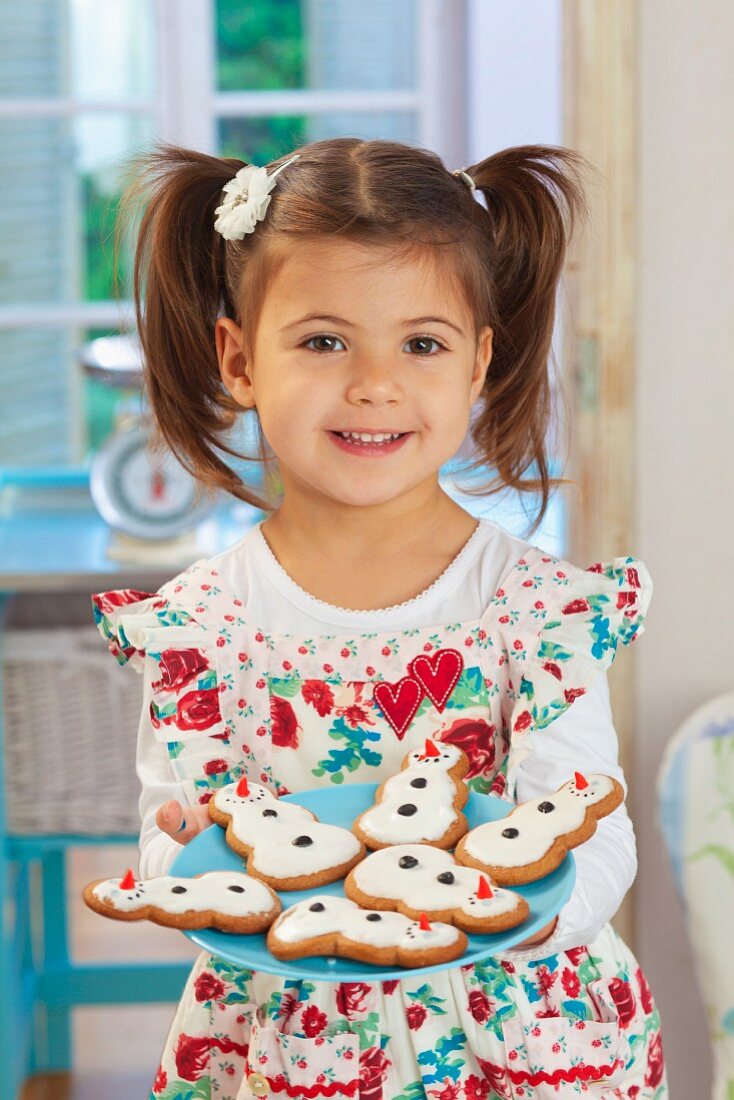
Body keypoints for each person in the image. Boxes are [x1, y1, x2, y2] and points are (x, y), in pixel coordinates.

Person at [92, 138, 667, 1099]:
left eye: (423, 343)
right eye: (323, 340)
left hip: (528, 1041)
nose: (374, 383)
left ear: (479, 363)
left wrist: (487, 919)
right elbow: (175, 831)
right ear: (239, 359)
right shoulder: (197, 626)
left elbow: (595, 837)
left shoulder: (540, 613)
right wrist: (175, 846)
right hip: (290, 1040)